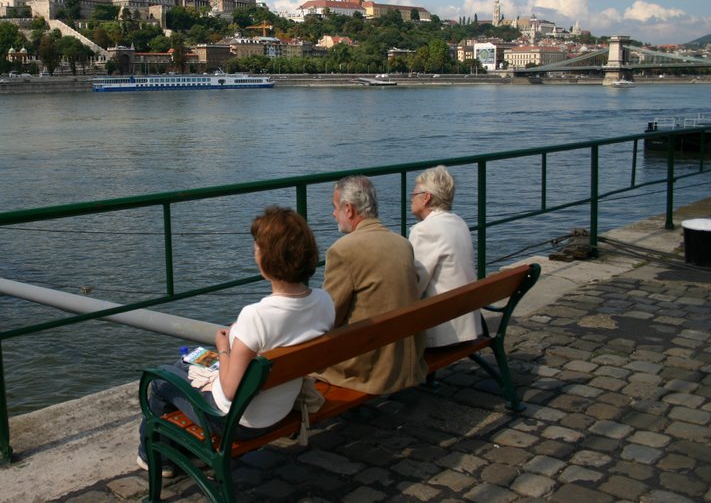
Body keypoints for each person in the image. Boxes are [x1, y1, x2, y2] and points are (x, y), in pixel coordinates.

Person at [138, 205, 335, 475]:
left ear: (268, 260)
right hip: (281, 408)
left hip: (239, 422)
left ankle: (157, 460)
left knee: (161, 382)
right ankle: (187, 451)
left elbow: (229, 391)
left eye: (258, 248)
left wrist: (223, 348)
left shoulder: (255, 316)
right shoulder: (325, 302)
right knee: (185, 365)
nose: (255, 253)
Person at [314, 175, 427, 395]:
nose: (332, 213)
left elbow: (329, 317)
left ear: (348, 209)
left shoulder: (343, 250)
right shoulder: (402, 244)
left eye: (334, 207)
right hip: (407, 360)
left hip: (372, 368)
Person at [409, 165, 482, 347]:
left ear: (426, 198)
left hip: (444, 332)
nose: (411, 199)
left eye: (413, 194)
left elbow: (415, 284)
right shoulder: (458, 222)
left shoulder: (424, 230)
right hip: (467, 322)